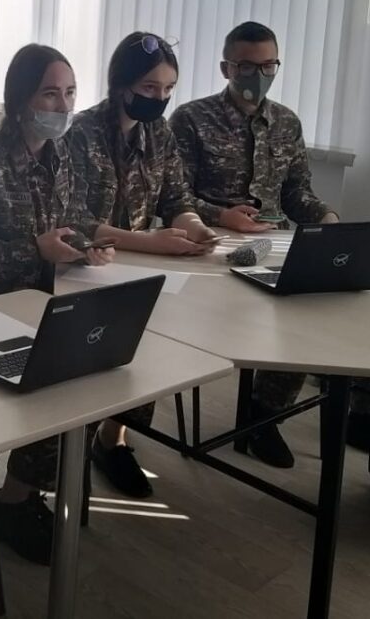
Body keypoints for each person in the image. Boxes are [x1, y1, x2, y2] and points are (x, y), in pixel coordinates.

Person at [0, 43, 114, 566]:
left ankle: (23, 492)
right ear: (19, 101)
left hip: (49, 303)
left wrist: (87, 245)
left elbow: (71, 219)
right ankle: (12, 502)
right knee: (54, 382)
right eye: (49, 94)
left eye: (70, 93)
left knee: (93, 371)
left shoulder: (63, 156)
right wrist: (35, 250)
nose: (63, 106)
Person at [171, 21, 339, 469]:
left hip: (274, 243)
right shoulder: (191, 119)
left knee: (309, 311)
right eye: (247, 66)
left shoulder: (286, 123)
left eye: (268, 66)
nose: (259, 76)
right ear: (226, 67)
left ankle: (263, 415)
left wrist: (327, 219)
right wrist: (220, 215)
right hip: (212, 247)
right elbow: (173, 196)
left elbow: (297, 193)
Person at [67, 31, 220, 497]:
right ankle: (63, 459)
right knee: (89, 367)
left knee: (147, 355)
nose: (160, 98)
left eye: (169, 89)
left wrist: (195, 227)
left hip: (139, 267)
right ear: (121, 84)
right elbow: (72, 217)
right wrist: (149, 242)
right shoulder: (81, 132)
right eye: (150, 88)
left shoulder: (160, 133)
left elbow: (176, 198)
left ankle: (112, 439)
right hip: (82, 268)